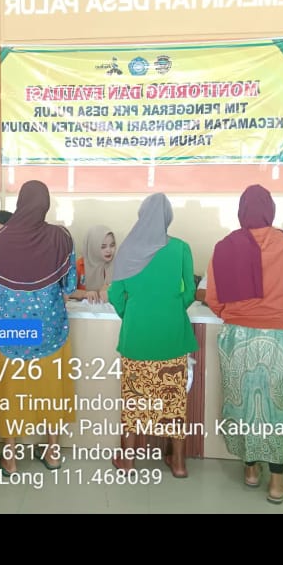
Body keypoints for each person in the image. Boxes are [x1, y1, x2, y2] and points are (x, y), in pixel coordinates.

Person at [206, 184, 283, 505]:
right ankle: (276, 484)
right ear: (270, 210)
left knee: (241, 403)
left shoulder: (225, 246)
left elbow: (214, 298)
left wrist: (237, 315)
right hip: (277, 337)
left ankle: (251, 471)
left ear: (241, 211)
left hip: (237, 337)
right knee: (277, 407)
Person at [0, 180, 77, 475]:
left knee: (10, 393)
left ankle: (10, 458)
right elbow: (70, 286)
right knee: (51, 389)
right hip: (51, 332)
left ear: (19, 203)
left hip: (11, 334)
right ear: (45, 205)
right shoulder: (61, 237)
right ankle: (52, 453)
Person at [107, 193, 197, 478]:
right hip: (173, 337)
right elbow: (190, 292)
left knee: (133, 401)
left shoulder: (127, 249)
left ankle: (128, 461)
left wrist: (133, 315)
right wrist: (171, 310)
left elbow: (115, 294)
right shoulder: (181, 248)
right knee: (175, 403)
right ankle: (179, 463)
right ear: (168, 217)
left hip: (137, 338)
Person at [68, 225, 117, 303]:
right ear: (92, 247)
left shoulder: (117, 265)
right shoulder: (80, 265)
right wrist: (84, 294)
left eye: (112, 245)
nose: (109, 250)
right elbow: (67, 291)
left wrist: (110, 287)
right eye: (103, 247)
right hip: (84, 309)